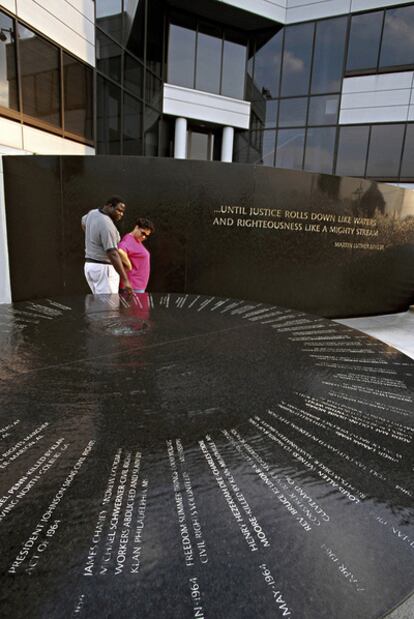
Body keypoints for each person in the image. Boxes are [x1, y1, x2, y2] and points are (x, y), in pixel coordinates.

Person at [81, 196, 132, 294]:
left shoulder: (93, 213)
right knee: (109, 306)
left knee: (99, 305)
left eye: (122, 212)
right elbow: (112, 253)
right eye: (119, 210)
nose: (121, 214)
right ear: (109, 206)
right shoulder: (107, 225)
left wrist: (92, 237)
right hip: (104, 269)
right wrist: (125, 279)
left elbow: (83, 221)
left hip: (90, 267)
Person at [118, 218, 155, 293]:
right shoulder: (128, 239)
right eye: (143, 233)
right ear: (136, 227)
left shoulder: (137, 241)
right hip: (133, 285)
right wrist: (128, 265)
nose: (144, 237)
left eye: (147, 236)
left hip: (138, 286)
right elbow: (120, 250)